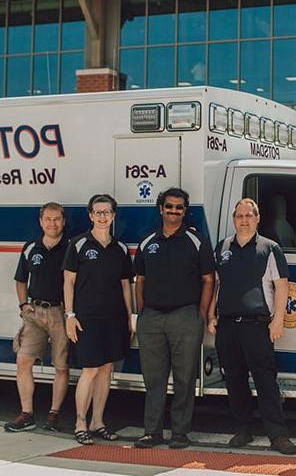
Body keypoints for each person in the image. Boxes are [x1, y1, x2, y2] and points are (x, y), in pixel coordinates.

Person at [207, 198, 296, 455]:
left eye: (249, 215)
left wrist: (278, 320)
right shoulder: (222, 247)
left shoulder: (270, 248)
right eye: (239, 216)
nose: (244, 220)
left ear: (257, 218)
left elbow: (281, 286)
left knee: (266, 381)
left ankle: (278, 435)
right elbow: (216, 284)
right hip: (227, 326)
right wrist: (211, 316)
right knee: (234, 381)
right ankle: (243, 429)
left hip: (258, 326)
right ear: (234, 219)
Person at [133, 187, 215, 449]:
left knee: (184, 377)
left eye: (179, 207)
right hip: (152, 318)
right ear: (160, 208)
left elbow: (208, 279)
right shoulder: (148, 240)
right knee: (153, 379)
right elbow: (140, 279)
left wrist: (200, 314)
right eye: (169, 206)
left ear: (185, 211)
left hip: (185, 316)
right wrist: (142, 311)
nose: (174, 211)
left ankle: (179, 433)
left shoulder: (196, 241)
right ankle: (152, 432)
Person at [62, 194, 134, 445]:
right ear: (90, 215)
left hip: (114, 318)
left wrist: (130, 316)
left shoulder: (121, 249)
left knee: (106, 370)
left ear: (114, 215)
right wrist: (69, 316)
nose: (103, 217)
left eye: (107, 212)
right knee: (90, 369)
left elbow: (126, 286)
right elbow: (68, 281)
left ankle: (97, 422)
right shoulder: (79, 244)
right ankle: (80, 423)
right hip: (86, 319)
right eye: (98, 212)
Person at [4, 202, 70, 433]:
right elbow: (20, 279)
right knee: (23, 360)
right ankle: (27, 413)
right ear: (41, 222)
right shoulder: (31, 248)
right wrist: (23, 305)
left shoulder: (71, 247)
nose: (53, 223)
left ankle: (53, 415)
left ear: (63, 221)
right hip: (35, 312)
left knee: (61, 366)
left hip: (60, 313)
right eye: (48, 219)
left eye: (57, 219)